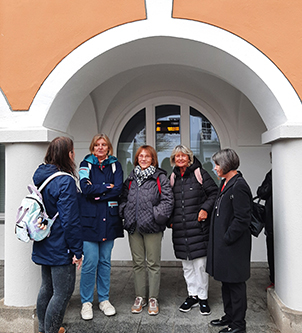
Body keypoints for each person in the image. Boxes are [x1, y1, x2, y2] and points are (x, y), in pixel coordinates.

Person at [32, 136, 83, 333]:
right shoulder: (65, 181)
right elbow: (70, 220)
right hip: (61, 243)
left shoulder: (41, 174)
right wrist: (77, 250)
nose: (73, 155)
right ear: (66, 154)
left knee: (47, 288)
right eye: (72, 152)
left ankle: (44, 332)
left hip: (44, 240)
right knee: (62, 292)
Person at [119, 145, 174, 315]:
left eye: (147, 156)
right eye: (141, 156)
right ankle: (140, 297)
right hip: (133, 227)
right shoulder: (131, 178)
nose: (143, 159)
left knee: (153, 264)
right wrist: (124, 212)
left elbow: (168, 200)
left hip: (152, 227)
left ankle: (153, 298)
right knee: (137, 264)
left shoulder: (160, 177)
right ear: (137, 158)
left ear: (153, 159)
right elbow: (122, 198)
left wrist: (156, 216)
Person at [207, 148, 252, 333]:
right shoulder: (226, 183)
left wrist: (227, 237)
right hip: (224, 245)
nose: (215, 168)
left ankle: (238, 323)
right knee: (226, 282)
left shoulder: (239, 185)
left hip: (234, 245)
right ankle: (229, 315)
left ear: (226, 165)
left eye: (217, 164)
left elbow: (242, 218)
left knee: (236, 284)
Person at [79, 134, 123, 320]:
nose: (100, 147)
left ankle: (104, 300)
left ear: (108, 147)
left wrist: (97, 194)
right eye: (97, 144)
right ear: (92, 147)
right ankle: (86, 302)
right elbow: (85, 189)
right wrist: (106, 187)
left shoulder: (115, 164)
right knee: (90, 262)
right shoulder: (85, 164)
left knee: (105, 262)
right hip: (90, 220)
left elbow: (118, 189)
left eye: (103, 144)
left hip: (109, 219)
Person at [169, 145, 218, 315]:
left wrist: (205, 209)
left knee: (200, 265)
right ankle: (193, 295)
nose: (180, 158)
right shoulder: (173, 177)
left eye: (183, 156)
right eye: (177, 156)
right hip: (180, 230)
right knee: (187, 266)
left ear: (189, 158)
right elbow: (169, 201)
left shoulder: (200, 173)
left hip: (198, 228)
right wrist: (170, 220)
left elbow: (214, 193)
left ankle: (203, 298)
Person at [257, 168, 274, 289]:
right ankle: (274, 280)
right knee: (272, 250)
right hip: (272, 221)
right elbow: (261, 192)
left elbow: (262, 192)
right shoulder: (272, 174)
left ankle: (275, 280)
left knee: (273, 250)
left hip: (275, 220)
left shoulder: (273, 173)